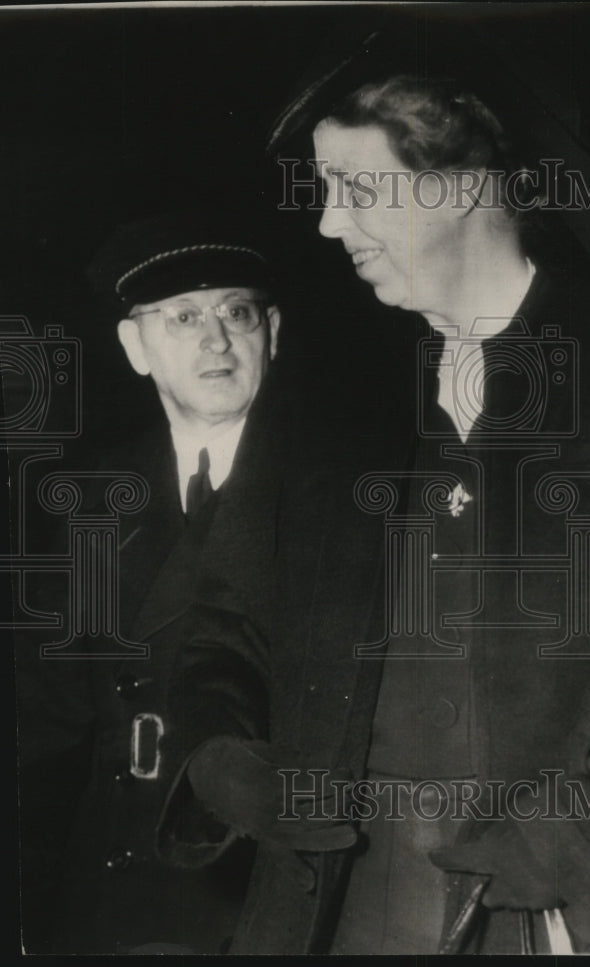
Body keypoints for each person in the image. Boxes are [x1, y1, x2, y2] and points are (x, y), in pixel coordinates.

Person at [161, 74, 590, 954]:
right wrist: (218, 757)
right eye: (323, 194)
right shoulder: (321, 390)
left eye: (356, 189)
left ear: (462, 186)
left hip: (573, 905)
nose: (327, 224)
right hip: (336, 898)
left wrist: (576, 847)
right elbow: (221, 623)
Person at [17, 210, 283, 955]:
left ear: (274, 332)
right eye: (183, 317)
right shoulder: (90, 498)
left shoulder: (335, 489)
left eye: (237, 311)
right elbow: (44, 723)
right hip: (118, 889)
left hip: (264, 889)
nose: (215, 340)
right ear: (136, 345)